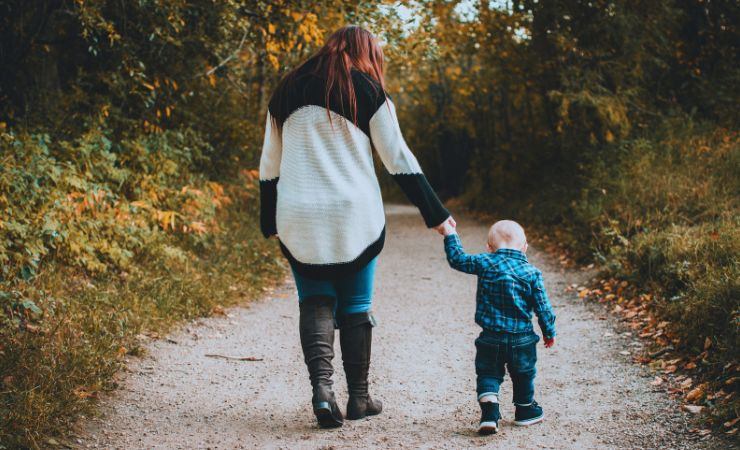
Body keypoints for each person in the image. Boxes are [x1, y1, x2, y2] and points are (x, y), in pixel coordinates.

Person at [259, 25, 452, 429]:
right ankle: (359, 398)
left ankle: (322, 391)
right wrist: (435, 213)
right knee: (357, 305)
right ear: (365, 52)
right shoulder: (365, 90)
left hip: (298, 214)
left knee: (314, 300)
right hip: (354, 215)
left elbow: (270, 165)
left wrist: (268, 218)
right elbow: (397, 156)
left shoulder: (286, 89)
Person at [440, 219, 556, 435]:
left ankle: (490, 413)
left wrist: (449, 233)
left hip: (490, 337)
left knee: (488, 373)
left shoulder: (485, 262)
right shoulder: (531, 273)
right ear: (525, 247)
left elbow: (457, 259)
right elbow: (543, 308)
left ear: (489, 247)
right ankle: (524, 410)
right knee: (524, 373)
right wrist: (549, 331)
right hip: (522, 339)